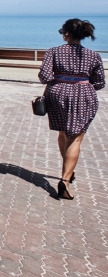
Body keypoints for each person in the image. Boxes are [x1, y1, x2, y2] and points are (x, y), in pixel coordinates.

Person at [39, 18, 104, 200]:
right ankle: (65, 180)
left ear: (67, 34)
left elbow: (44, 77)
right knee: (75, 138)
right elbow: (99, 83)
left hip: (57, 94)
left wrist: (61, 81)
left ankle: (68, 169)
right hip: (83, 95)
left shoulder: (53, 52)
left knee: (63, 133)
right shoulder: (93, 55)